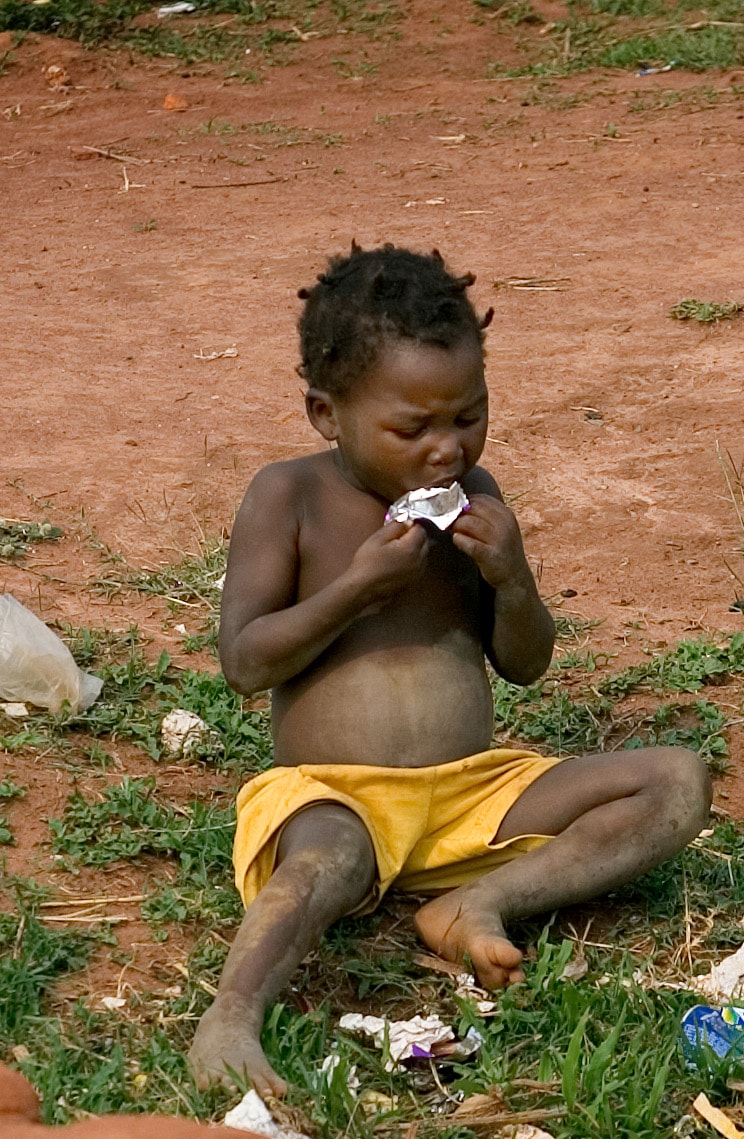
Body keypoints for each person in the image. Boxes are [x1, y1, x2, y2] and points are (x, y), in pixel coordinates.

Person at [187, 244, 711, 1092]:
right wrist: (356, 588)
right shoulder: (290, 497)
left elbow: (525, 664)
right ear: (327, 413)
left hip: (471, 794)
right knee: (327, 866)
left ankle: (480, 901)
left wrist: (511, 577)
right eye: (412, 429)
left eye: (468, 417)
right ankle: (233, 1017)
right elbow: (246, 663)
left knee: (678, 780)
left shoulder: (480, 497)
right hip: (335, 795)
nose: (446, 450)